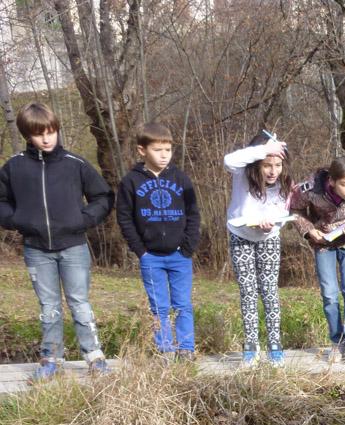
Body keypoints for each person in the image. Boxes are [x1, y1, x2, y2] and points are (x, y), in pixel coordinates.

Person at [0, 102, 114, 380]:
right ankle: (51, 359)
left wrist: (83, 219)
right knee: (49, 306)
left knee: (79, 302)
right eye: (40, 134)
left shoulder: (75, 164)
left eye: (51, 131)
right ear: (29, 135)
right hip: (37, 250)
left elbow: (103, 197)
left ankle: (94, 356)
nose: (47, 138)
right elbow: (1, 201)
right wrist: (17, 221)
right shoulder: (14, 166)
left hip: (74, 247)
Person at [116, 122, 201, 361]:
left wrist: (187, 248)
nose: (164, 155)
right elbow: (124, 218)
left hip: (179, 255)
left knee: (183, 304)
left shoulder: (181, 178)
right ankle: (165, 350)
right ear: (142, 150)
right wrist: (140, 251)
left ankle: (186, 349)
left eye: (168, 150)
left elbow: (193, 214)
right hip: (150, 256)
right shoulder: (131, 181)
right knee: (159, 307)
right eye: (158, 150)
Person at [289, 155, 345, 367]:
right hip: (323, 243)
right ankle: (337, 341)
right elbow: (294, 209)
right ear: (332, 182)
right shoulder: (311, 189)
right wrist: (309, 230)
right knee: (329, 293)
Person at [224, 131, 292, 367]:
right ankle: (251, 347)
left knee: (270, 290)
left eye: (278, 165)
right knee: (248, 290)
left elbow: (284, 213)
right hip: (240, 234)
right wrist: (265, 149)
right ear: (257, 164)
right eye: (267, 165)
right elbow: (229, 160)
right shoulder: (242, 172)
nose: (273, 171)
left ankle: (275, 346)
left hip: (269, 237)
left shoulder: (284, 182)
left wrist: (273, 224)